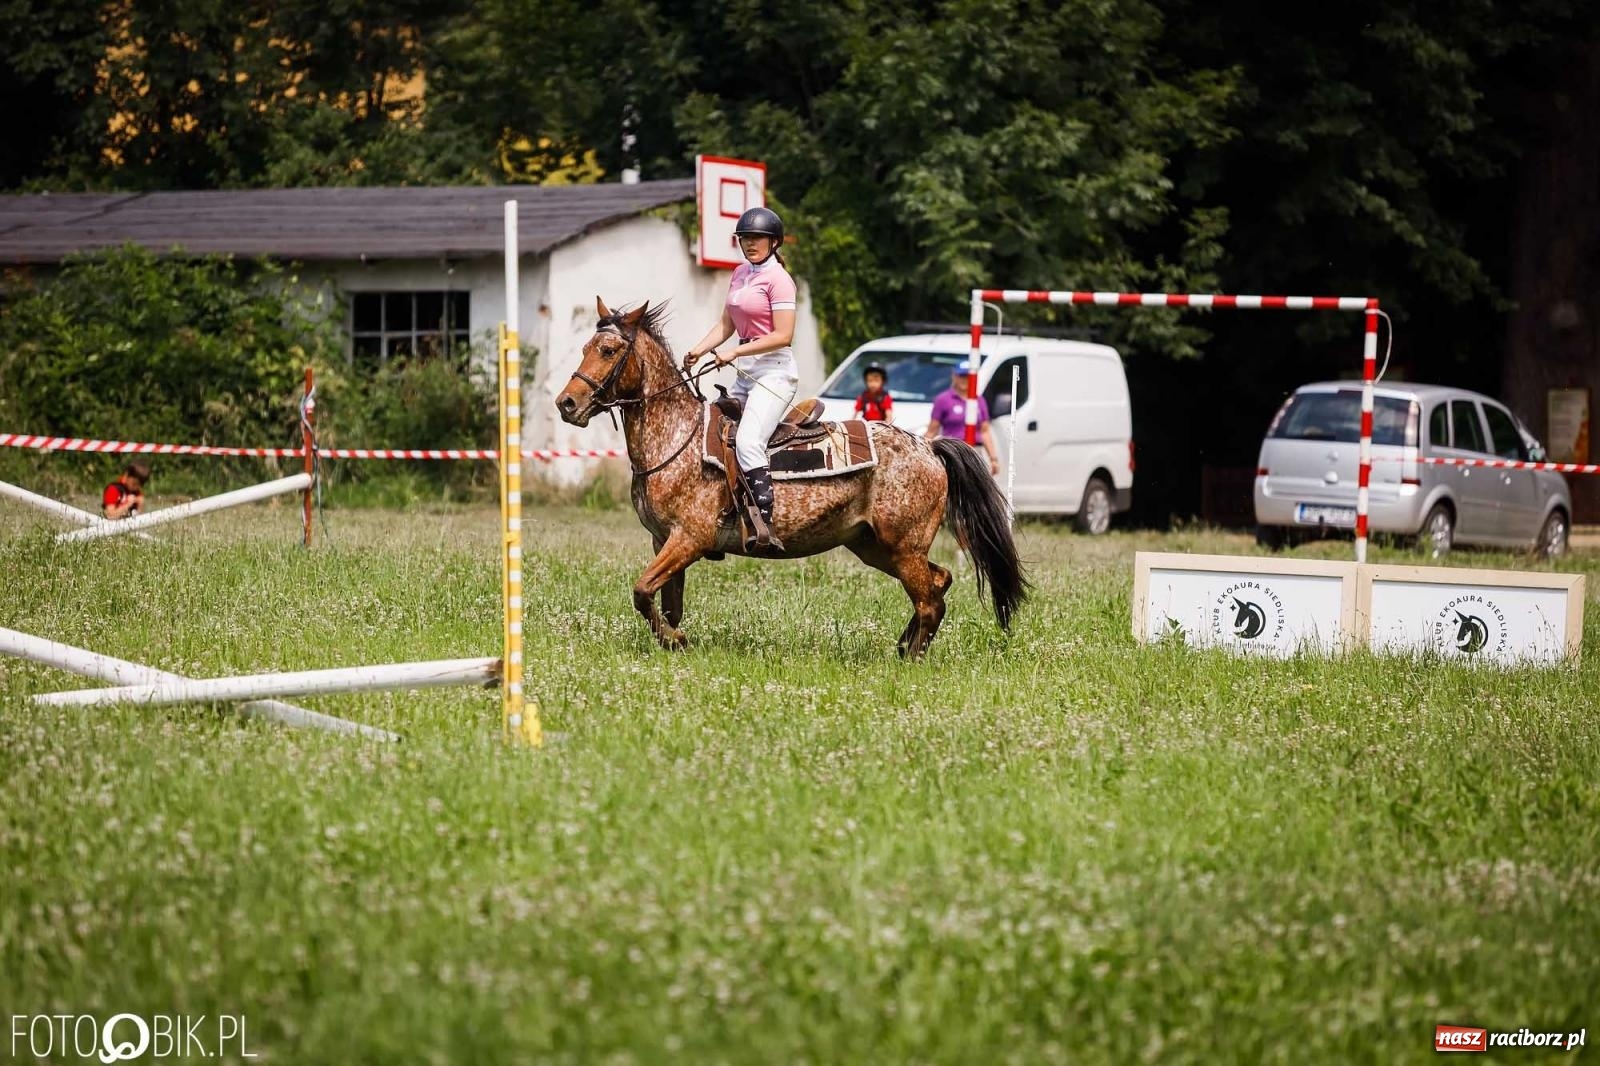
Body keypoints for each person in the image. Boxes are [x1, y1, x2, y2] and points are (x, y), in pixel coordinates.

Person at [683, 206, 798, 550]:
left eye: (757, 238)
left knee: (748, 442)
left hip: (774, 373)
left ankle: (764, 524)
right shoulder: (740, 274)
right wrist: (699, 349)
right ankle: (718, 512)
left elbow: (783, 335)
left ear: (774, 242)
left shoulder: (780, 280)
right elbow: (726, 325)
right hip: (746, 373)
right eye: (745, 238)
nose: (750, 243)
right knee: (712, 433)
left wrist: (734, 353)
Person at [926, 369, 1001, 474]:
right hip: (952, 451)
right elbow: (932, 430)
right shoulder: (943, 400)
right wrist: (923, 452)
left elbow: (985, 431)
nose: (965, 380)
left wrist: (993, 459)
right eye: (961, 376)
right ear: (954, 377)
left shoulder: (979, 400)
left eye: (968, 377)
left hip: (975, 451)